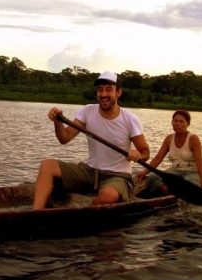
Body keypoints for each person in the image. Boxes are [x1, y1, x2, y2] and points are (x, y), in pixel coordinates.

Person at [33, 71, 150, 210]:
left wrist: (137, 154)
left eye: (108, 89)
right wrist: (57, 121)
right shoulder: (87, 111)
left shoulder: (130, 119)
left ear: (118, 92)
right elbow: (64, 138)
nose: (103, 94)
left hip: (117, 176)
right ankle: (36, 213)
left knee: (108, 197)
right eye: (100, 90)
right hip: (90, 172)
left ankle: (80, 217)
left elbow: (146, 152)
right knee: (47, 165)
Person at [136, 109, 202, 197]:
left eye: (181, 121)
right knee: (152, 177)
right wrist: (145, 172)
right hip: (175, 172)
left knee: (188, 182)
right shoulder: (169, 138)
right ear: (172, 123)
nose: (178, 124)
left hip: (191, 173)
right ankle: (168, 191)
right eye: (175, 121)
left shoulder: (193, 139)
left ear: (188, 124)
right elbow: (158, 158)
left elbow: (199, 161)